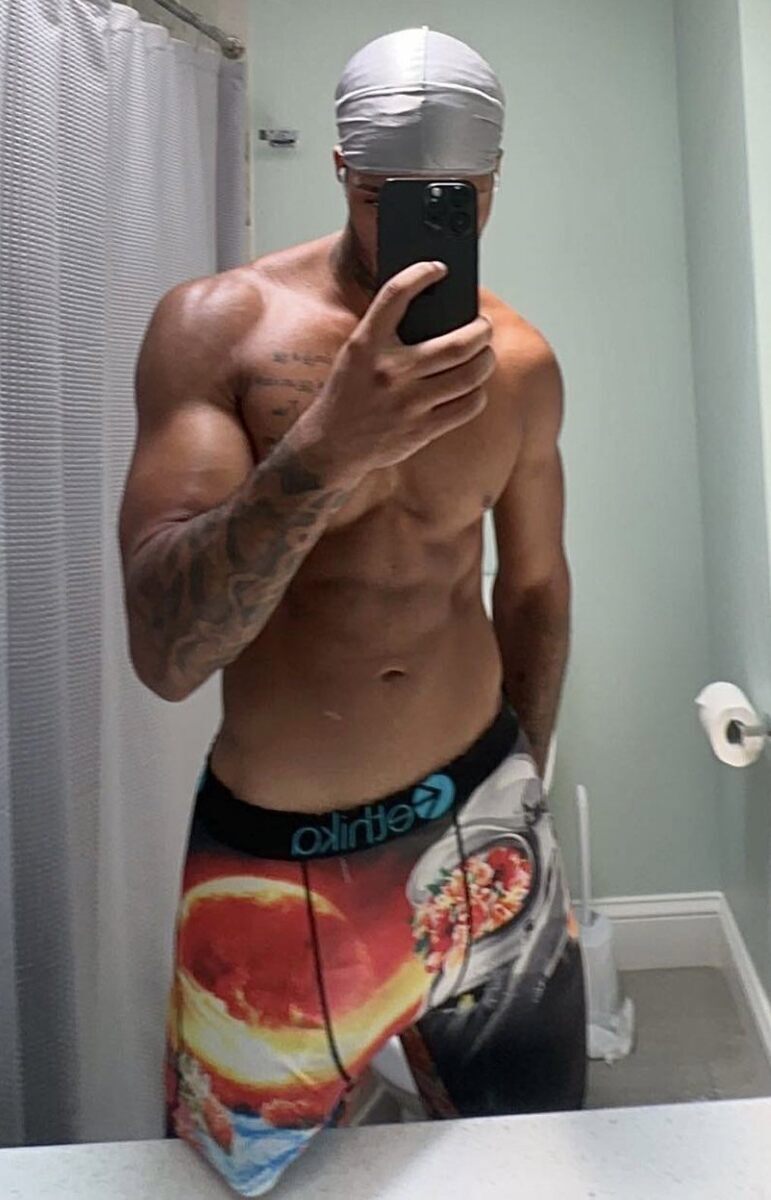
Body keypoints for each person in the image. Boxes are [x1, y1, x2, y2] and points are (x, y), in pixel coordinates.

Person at [118, 25, 586, 1198]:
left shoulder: (519, 364)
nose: (425, 226)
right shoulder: (219, 333)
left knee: (538, 1162)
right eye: (390, 198)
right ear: (340, 170)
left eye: (456, 199)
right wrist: (327, 450)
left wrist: (523, 779)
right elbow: (165, 654)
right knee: (230, 1186)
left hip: (487, 822)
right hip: (280, 873)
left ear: (493, 180)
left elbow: (533, 584)